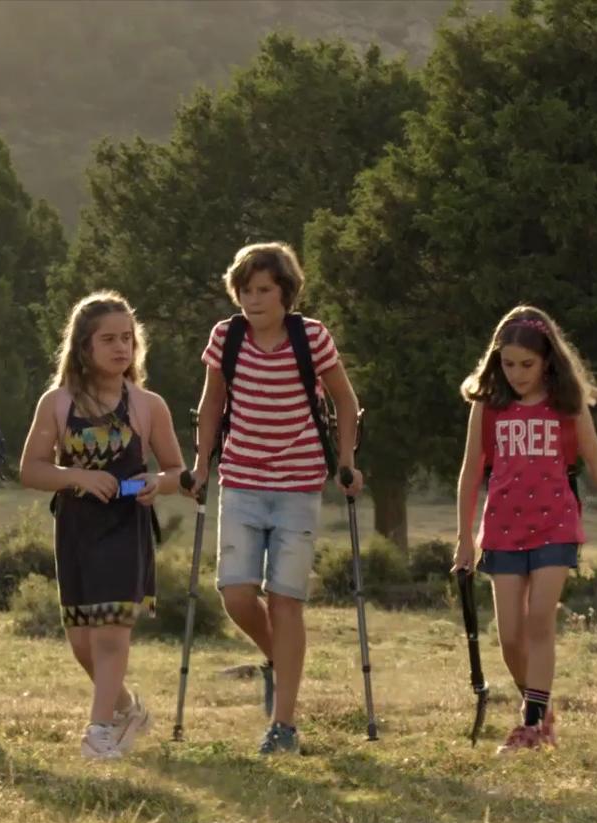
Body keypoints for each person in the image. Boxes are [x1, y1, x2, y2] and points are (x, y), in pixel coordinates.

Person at [452, 305, 597, 753]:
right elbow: (470, 472)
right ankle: (541, 707)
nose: (517, 374)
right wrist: (465, 538)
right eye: (508, 364)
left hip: (555, 527)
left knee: (540, 619)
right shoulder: (488, 407)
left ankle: (530, 725)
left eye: (527, 364)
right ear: (496, 360)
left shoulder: (566, 406)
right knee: (509, 639)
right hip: (502, 531)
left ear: (547, 361)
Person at [191, 242, 362, 756]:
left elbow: (346, 401)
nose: (253, 299)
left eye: (263, 289)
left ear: (285, 292)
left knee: (286, 600)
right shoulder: (228, 336)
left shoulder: (311, 338)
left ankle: (282, 726)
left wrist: (348, 461)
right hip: (240, 479)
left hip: (298, 483)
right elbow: (212, 403)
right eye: (245, 290)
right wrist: (200, 463)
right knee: (236, 593)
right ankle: (281, 660)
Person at [18, 292, 186, 759]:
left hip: (126, 527)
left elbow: (179, 473)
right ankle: (128, 707)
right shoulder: (56, 403)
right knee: (82, 641)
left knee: (111, 633)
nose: (120, 348)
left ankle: (99, 732)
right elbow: (30, 470)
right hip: (74, 528)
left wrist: (159, 481)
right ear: (83, 347)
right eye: (108, 339)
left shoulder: (149, 405)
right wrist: (77, 476)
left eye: (128, 339)